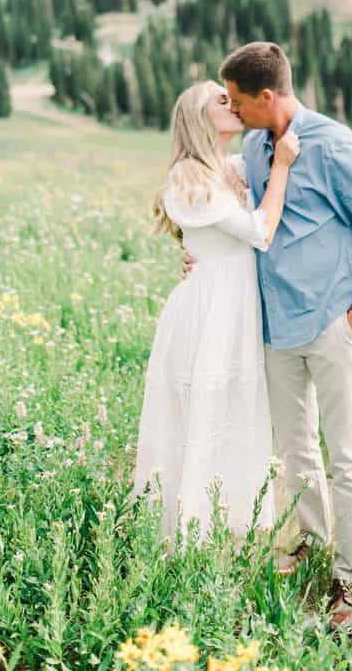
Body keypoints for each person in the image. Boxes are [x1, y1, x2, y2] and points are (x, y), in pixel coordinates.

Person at [183, 42, 352, 631]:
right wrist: (195, 256)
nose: (231, 109)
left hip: (333, 324)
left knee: (348, 458)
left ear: (267, 97)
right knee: (298, 450)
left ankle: (349, 580)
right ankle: (310, 540)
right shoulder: (254, 146)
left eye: (236, 100)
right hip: (276, 329)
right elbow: (247, 223)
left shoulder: (334, 144)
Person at [131, 79, 300, 543]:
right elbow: (259, 231)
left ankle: (227, 521)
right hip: (210, 308)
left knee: (234, 410)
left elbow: (208, 235)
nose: (234, 103)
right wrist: (282, 167)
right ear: (200, 117)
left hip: (234, 301)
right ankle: (190, 528)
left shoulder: (226, 167)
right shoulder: (188, 176)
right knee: (203, 412)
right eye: (222, 101)